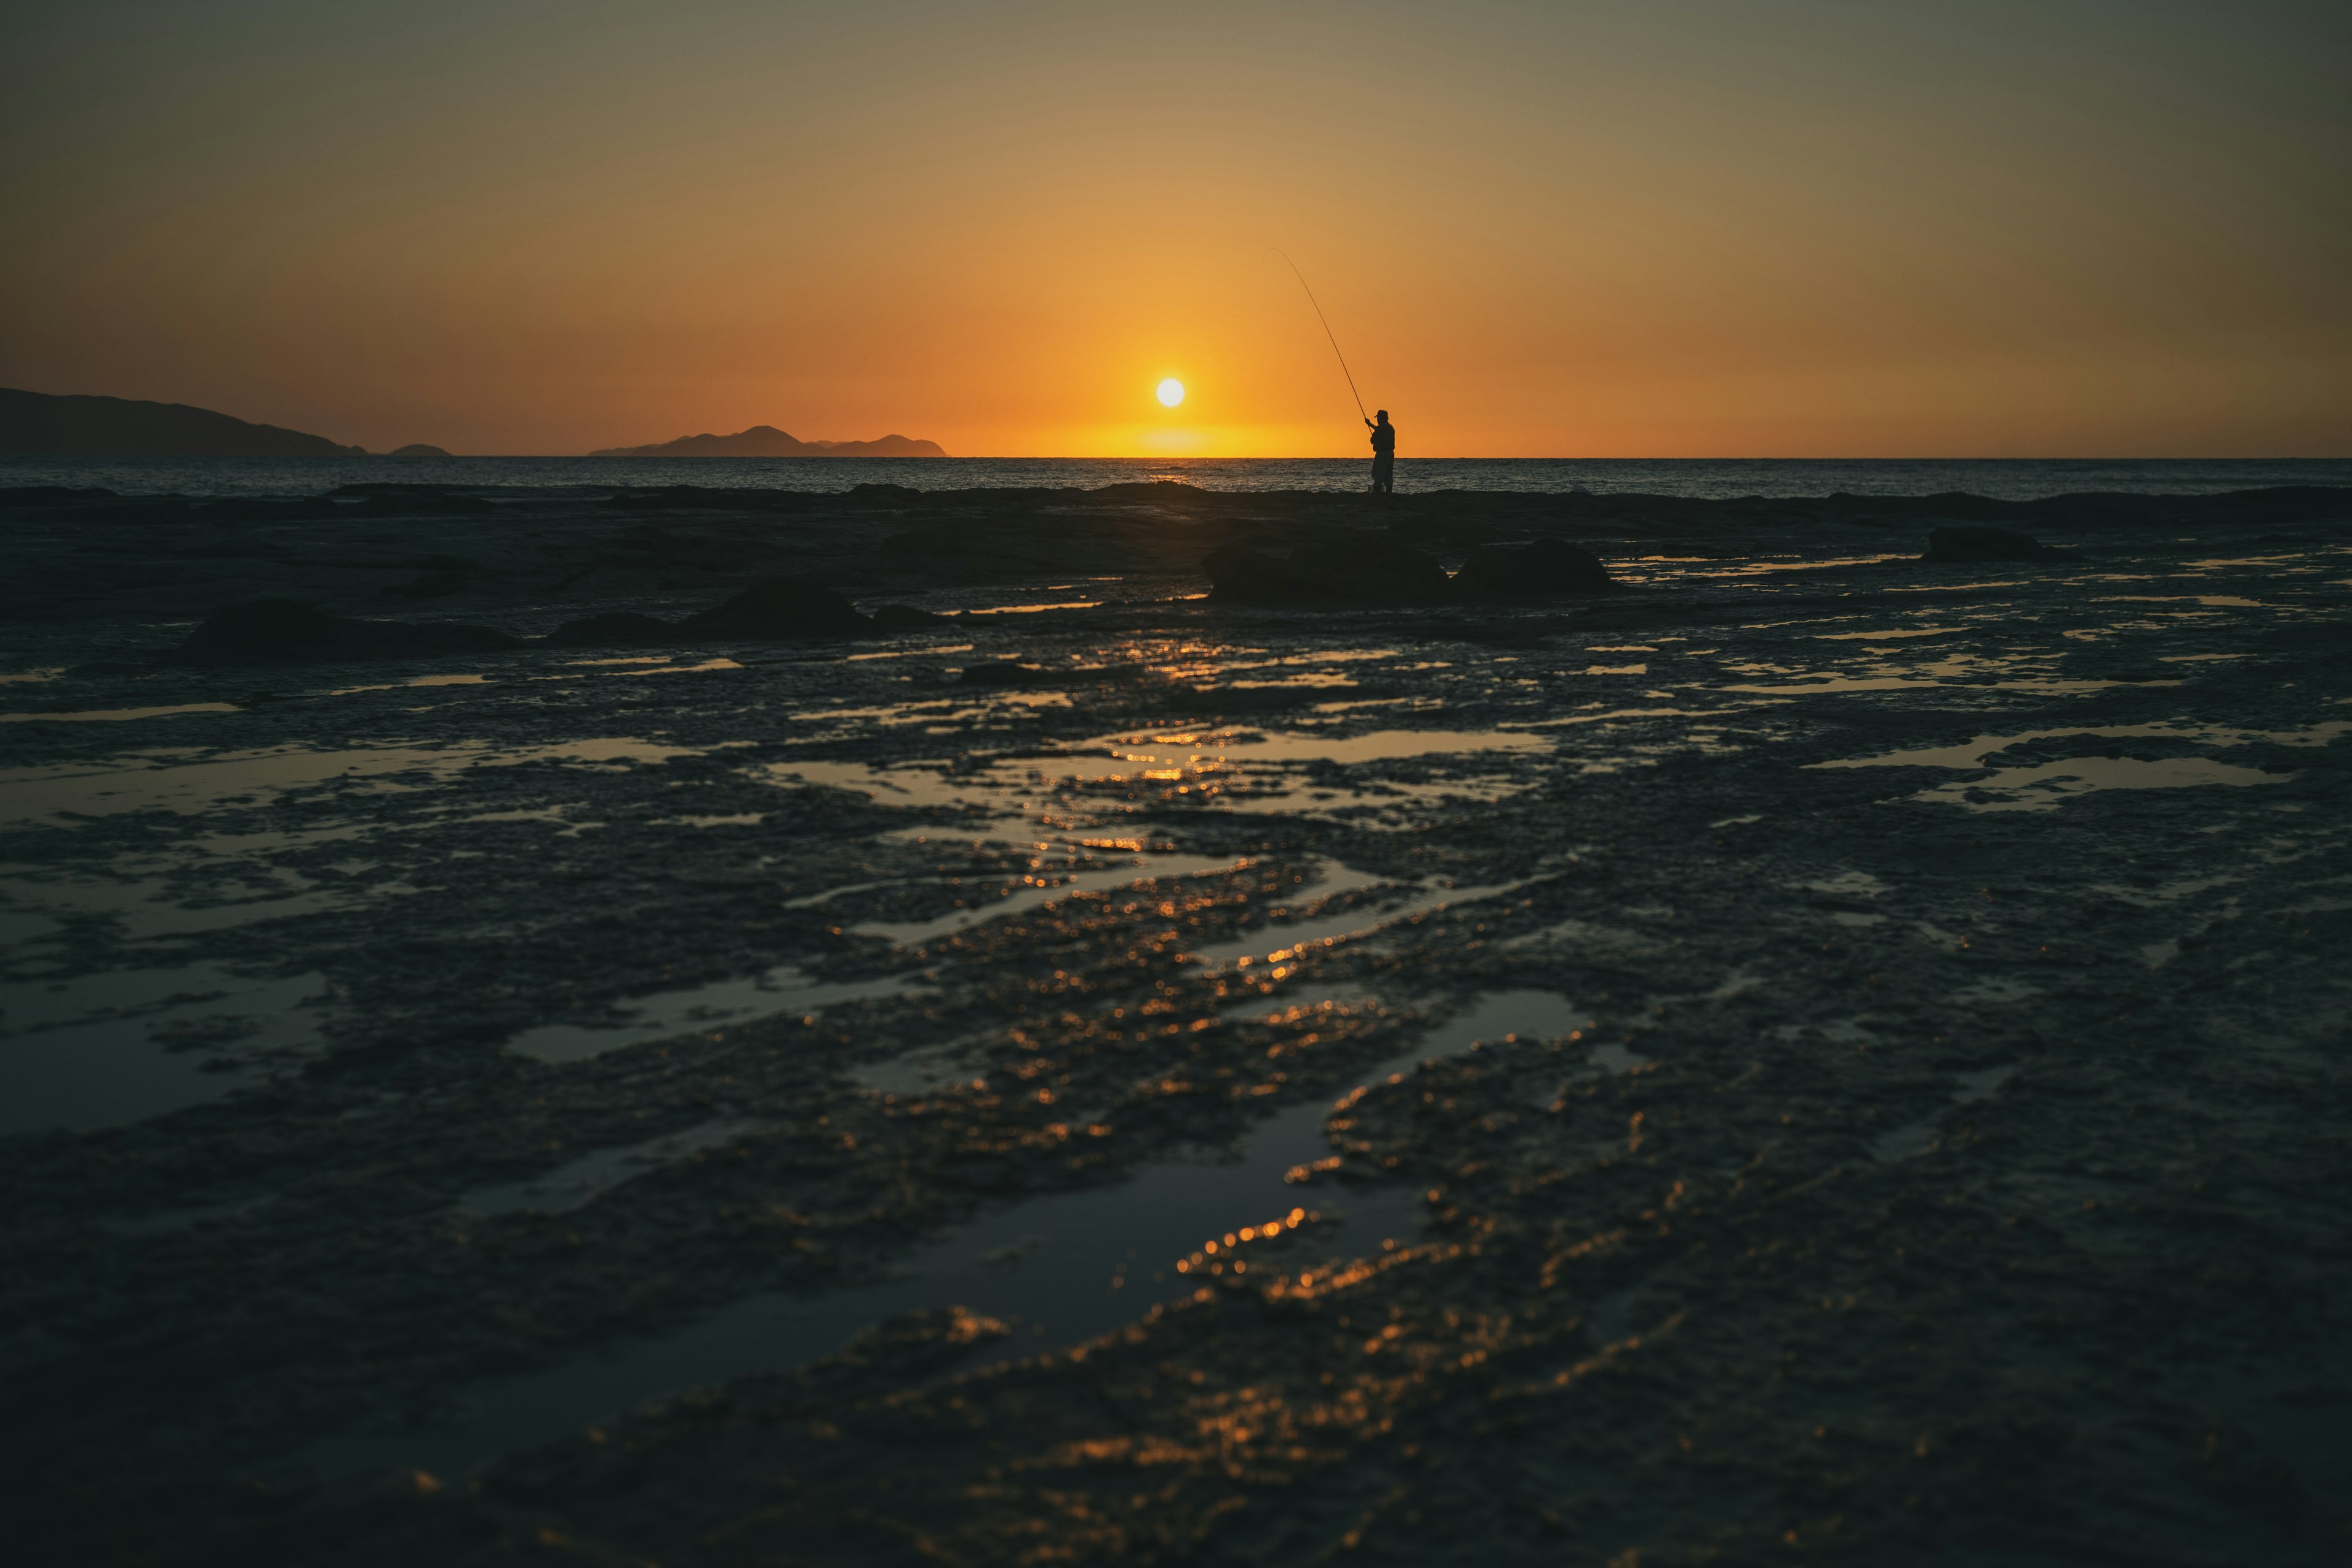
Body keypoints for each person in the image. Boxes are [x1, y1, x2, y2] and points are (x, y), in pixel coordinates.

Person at [1365, 409, 1396, 494]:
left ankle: (1377, 496)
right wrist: (1370, 424)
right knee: (1388, 476)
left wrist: (1370, 426)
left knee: (1379, 475)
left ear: (1381, 418)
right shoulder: (1390, 428)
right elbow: (1379, 429)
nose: (1378, 420)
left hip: (1382, 454)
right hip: (1390, 454)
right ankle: (1389, 495)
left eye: (1379, 418)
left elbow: (1372, 440)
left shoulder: (1381, 428)